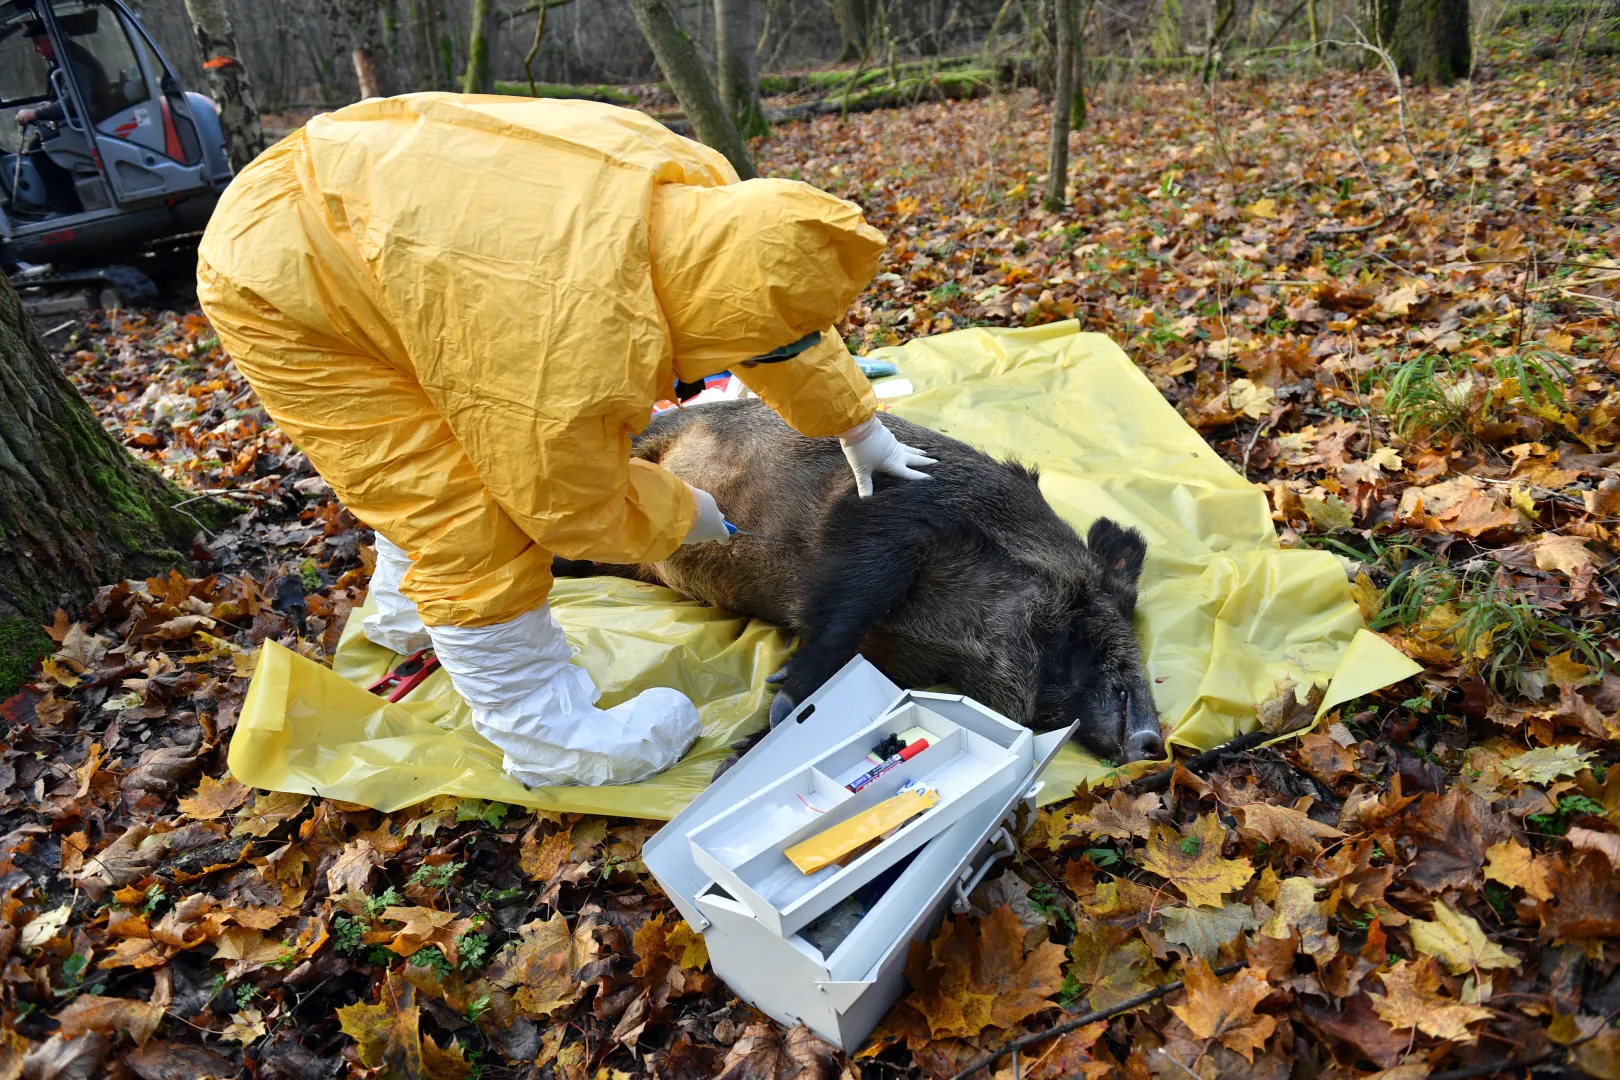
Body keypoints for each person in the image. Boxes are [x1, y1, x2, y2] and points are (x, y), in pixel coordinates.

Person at [197, 94, 935, 788]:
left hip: (375, 198)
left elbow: (768, 309)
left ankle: (404, 614)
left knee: (452, 453)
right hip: (283, 273)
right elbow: (566, 504)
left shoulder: (709, 201)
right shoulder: (567, 344)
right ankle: (547, 736)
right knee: (451, 503)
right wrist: (681, 514)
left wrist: (855, 423)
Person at [15, 22, 114, 128]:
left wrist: (33, 113)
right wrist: (51, 107)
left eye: (37, 43)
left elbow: (75, 103)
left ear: (51, 41)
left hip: (96, 124)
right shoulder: (67, 57)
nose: (35, 50)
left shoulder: (73, 62)